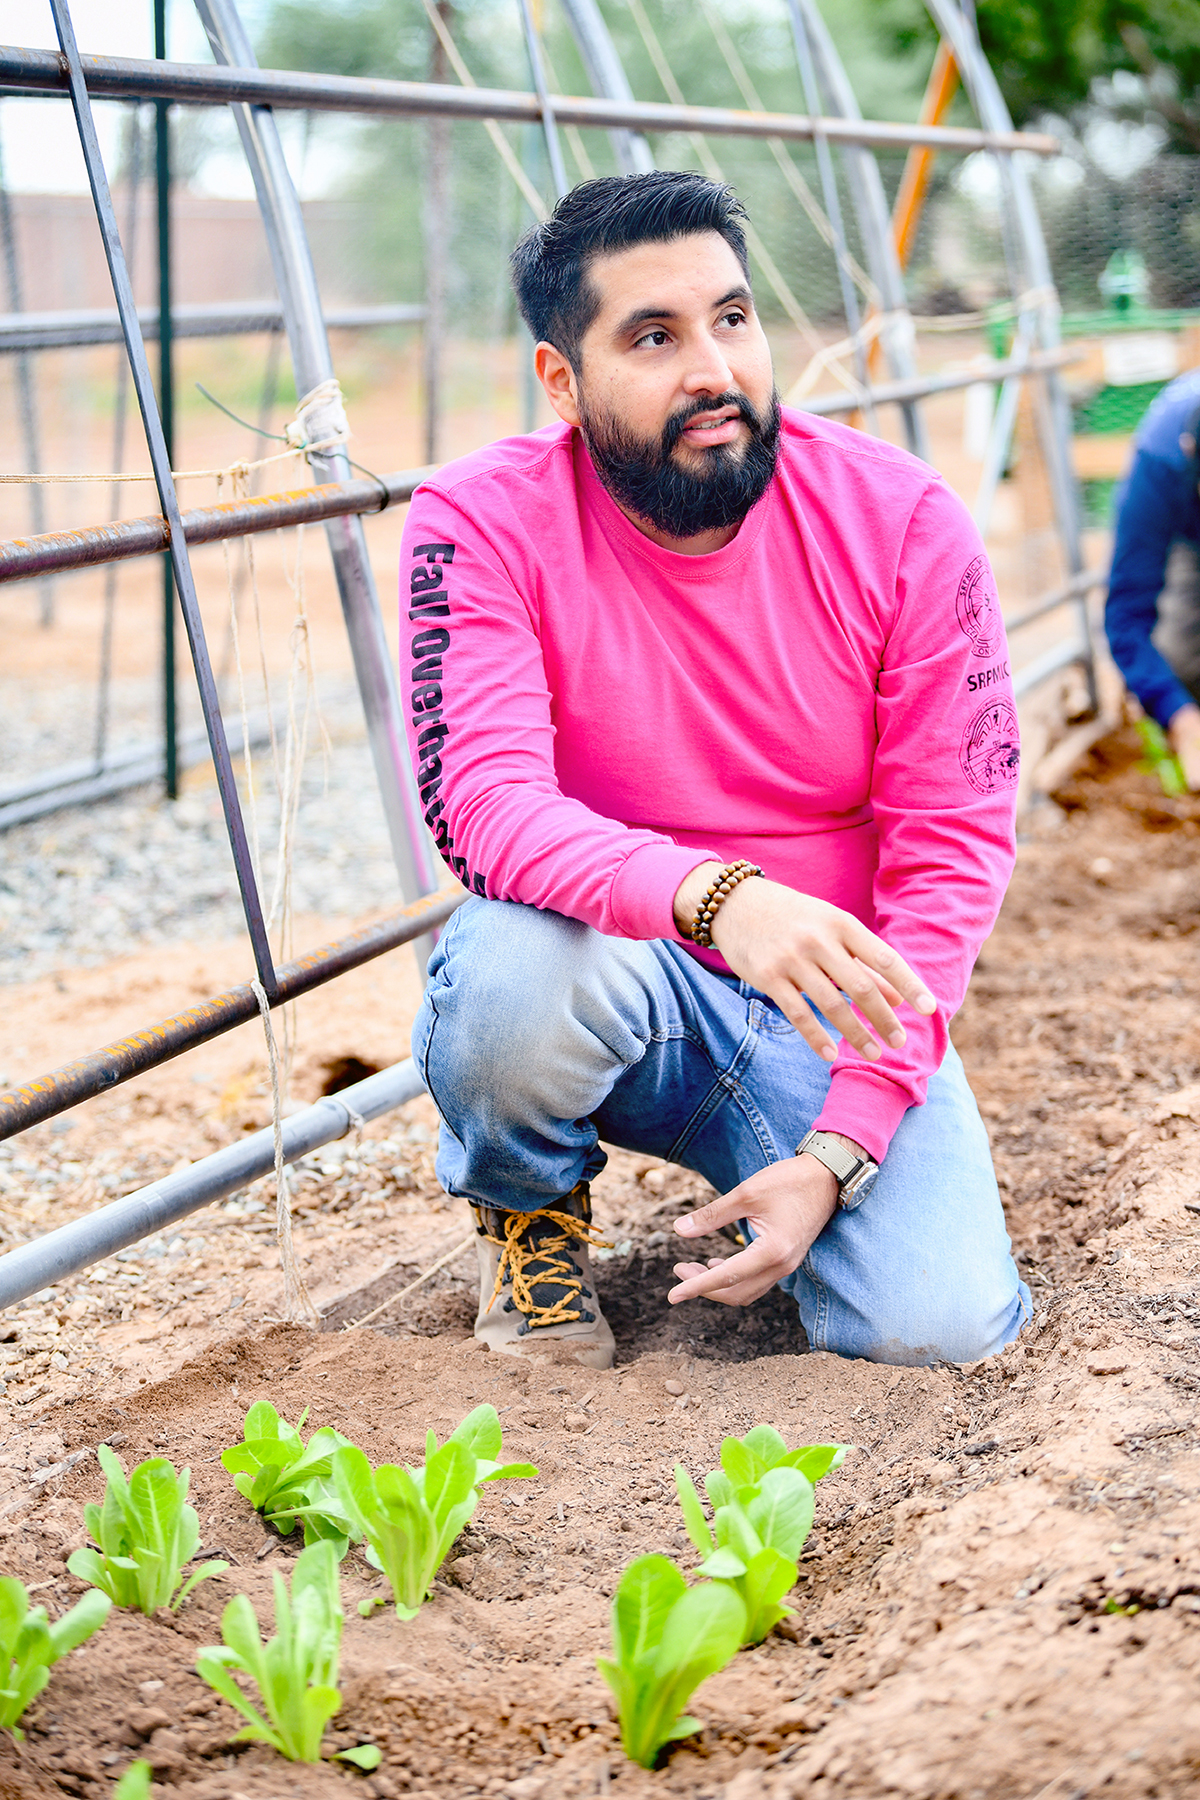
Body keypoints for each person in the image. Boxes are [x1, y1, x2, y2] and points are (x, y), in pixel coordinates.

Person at [400, 170, 1028, 1371]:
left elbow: (953, 850)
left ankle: (803, 1163)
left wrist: (845, 1143)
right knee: (508, 972)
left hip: (833, 1000)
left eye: (732, 319)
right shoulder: (477, 522)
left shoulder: (903, 522)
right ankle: (527, 1206)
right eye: (654, 335)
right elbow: (483, 808)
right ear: (562, 382)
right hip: (616, 973)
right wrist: (721, 897)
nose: (714, 369)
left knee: (939, 1330)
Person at [1106, 366, 1200, 788]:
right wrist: (1180, 714)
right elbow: (1126, 615)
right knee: (1181, 654)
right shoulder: (1160, 464)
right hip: (1187, 525)